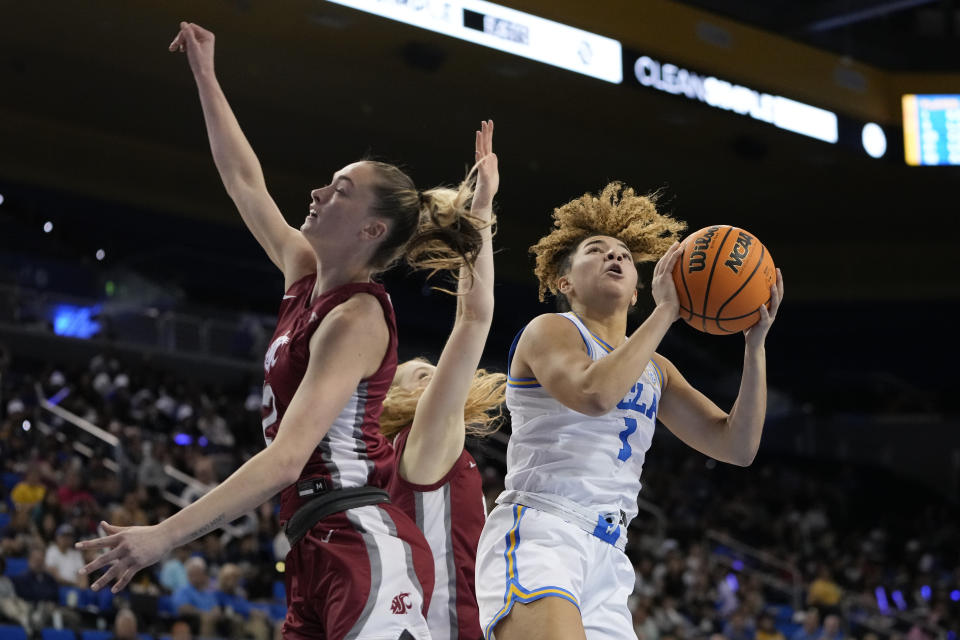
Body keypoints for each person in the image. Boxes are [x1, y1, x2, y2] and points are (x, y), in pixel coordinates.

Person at [78, 21, 484, 640]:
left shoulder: (356, 316)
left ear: (372, 230)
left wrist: (163, 536)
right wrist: (207, 75)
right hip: (311, 548)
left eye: (341, 190)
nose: (319, 191)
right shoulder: (304, 275)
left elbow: (287, 458)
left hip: (359, 544)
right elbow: (245, 182)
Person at [473, 182, 784, 640]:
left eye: (623, 255)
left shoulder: (657, 368)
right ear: (565, 282)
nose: (614, 257)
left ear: (637, 290)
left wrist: (754, 346)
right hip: (544, 531)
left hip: (610, 555)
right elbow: (593, 395)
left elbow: (736, 446)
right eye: (596, 252)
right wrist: (665, 313)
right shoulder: (552, 329)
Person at [382, 120, 503, 640]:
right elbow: (473, 319)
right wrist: (480, 212)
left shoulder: (396, 457)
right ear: (400, 397)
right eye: (424, 375)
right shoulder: (424, 440)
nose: (440, 381)